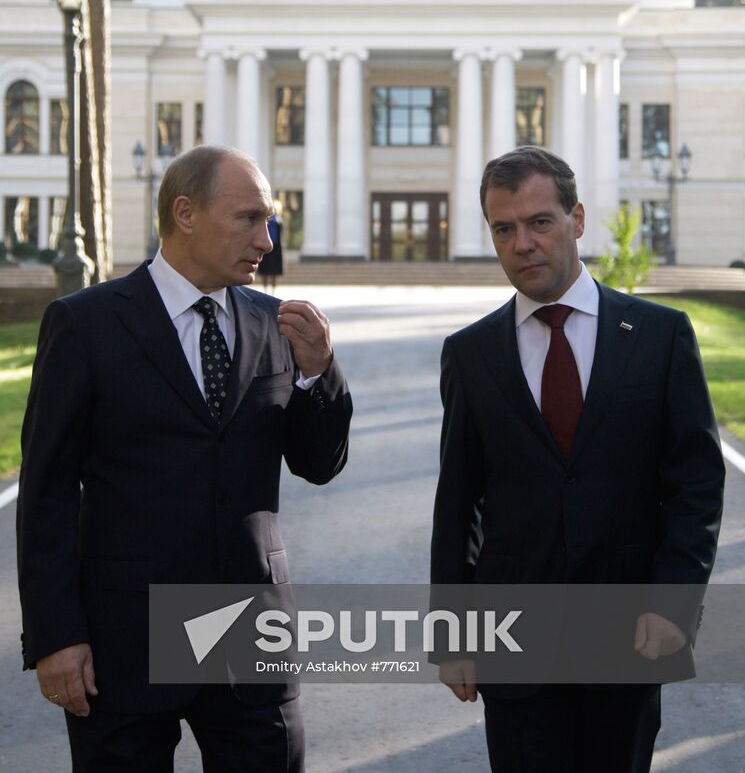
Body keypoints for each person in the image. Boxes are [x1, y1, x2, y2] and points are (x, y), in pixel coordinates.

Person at [17, 145, 352, 772]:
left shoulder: (274, 324)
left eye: (271, 220)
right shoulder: (85, 324)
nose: (268, 237)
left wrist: (318, 374)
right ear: (185, 213)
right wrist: (56, 636)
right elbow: (47, 492)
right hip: (127, 639)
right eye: (250, 218)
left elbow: (320, 462)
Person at [430, 145, 725, 773]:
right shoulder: (471, 353)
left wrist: (674, 601)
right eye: (503, 229)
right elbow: (457, 502)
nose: (522, 244)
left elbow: (696, 483)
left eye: (540, 222)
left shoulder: (658, 335)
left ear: (578, 219)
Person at [260, 201, 284, 294]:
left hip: (276, 248)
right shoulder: (266, 220)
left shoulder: (279, 220)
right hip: (266, 247)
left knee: (274, 271)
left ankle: (273, 291)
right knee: (265, 271)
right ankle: (265, 290)